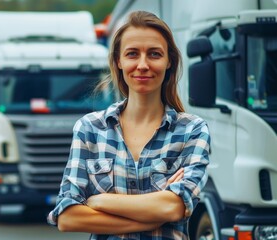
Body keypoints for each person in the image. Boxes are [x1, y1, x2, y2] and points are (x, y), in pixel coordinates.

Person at [47, 10, 211, 240]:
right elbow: (67, 217)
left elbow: (173, 208)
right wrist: (155, 210)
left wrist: (99, 201)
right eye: (132, 54)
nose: (143, 65)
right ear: (118, 61)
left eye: (154, 54)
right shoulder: (90, 129)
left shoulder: (191, 130)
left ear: (169, 61)